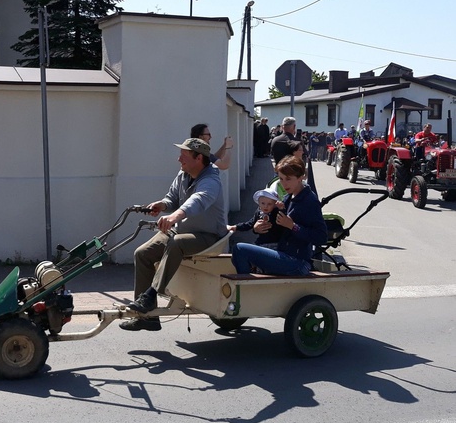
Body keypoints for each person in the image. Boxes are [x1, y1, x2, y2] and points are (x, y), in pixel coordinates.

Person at [120, 138, 228, 332]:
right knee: (142, 253)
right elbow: (173, 198)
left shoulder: (211, 180)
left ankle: (151, 294)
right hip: (182, 232)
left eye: (184, 156)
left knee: (176, 243)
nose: (179, 159)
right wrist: (162, 205)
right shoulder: (184, 174)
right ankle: (148, 318)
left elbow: (198, 201)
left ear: (199, 158)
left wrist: (175, 215)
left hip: (209, 237)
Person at [231, 155, 327, 276]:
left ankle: (247, 289)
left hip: (297, 262)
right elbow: (276, 224)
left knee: (240, 250)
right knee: (238, 254)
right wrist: (256, 228)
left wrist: (293, 226)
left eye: (288, 179)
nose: (283, 183)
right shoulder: (289, 197)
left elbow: (322, 237)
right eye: (281, 179)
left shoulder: (309, 201)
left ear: (301, 177)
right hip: (283, 253)